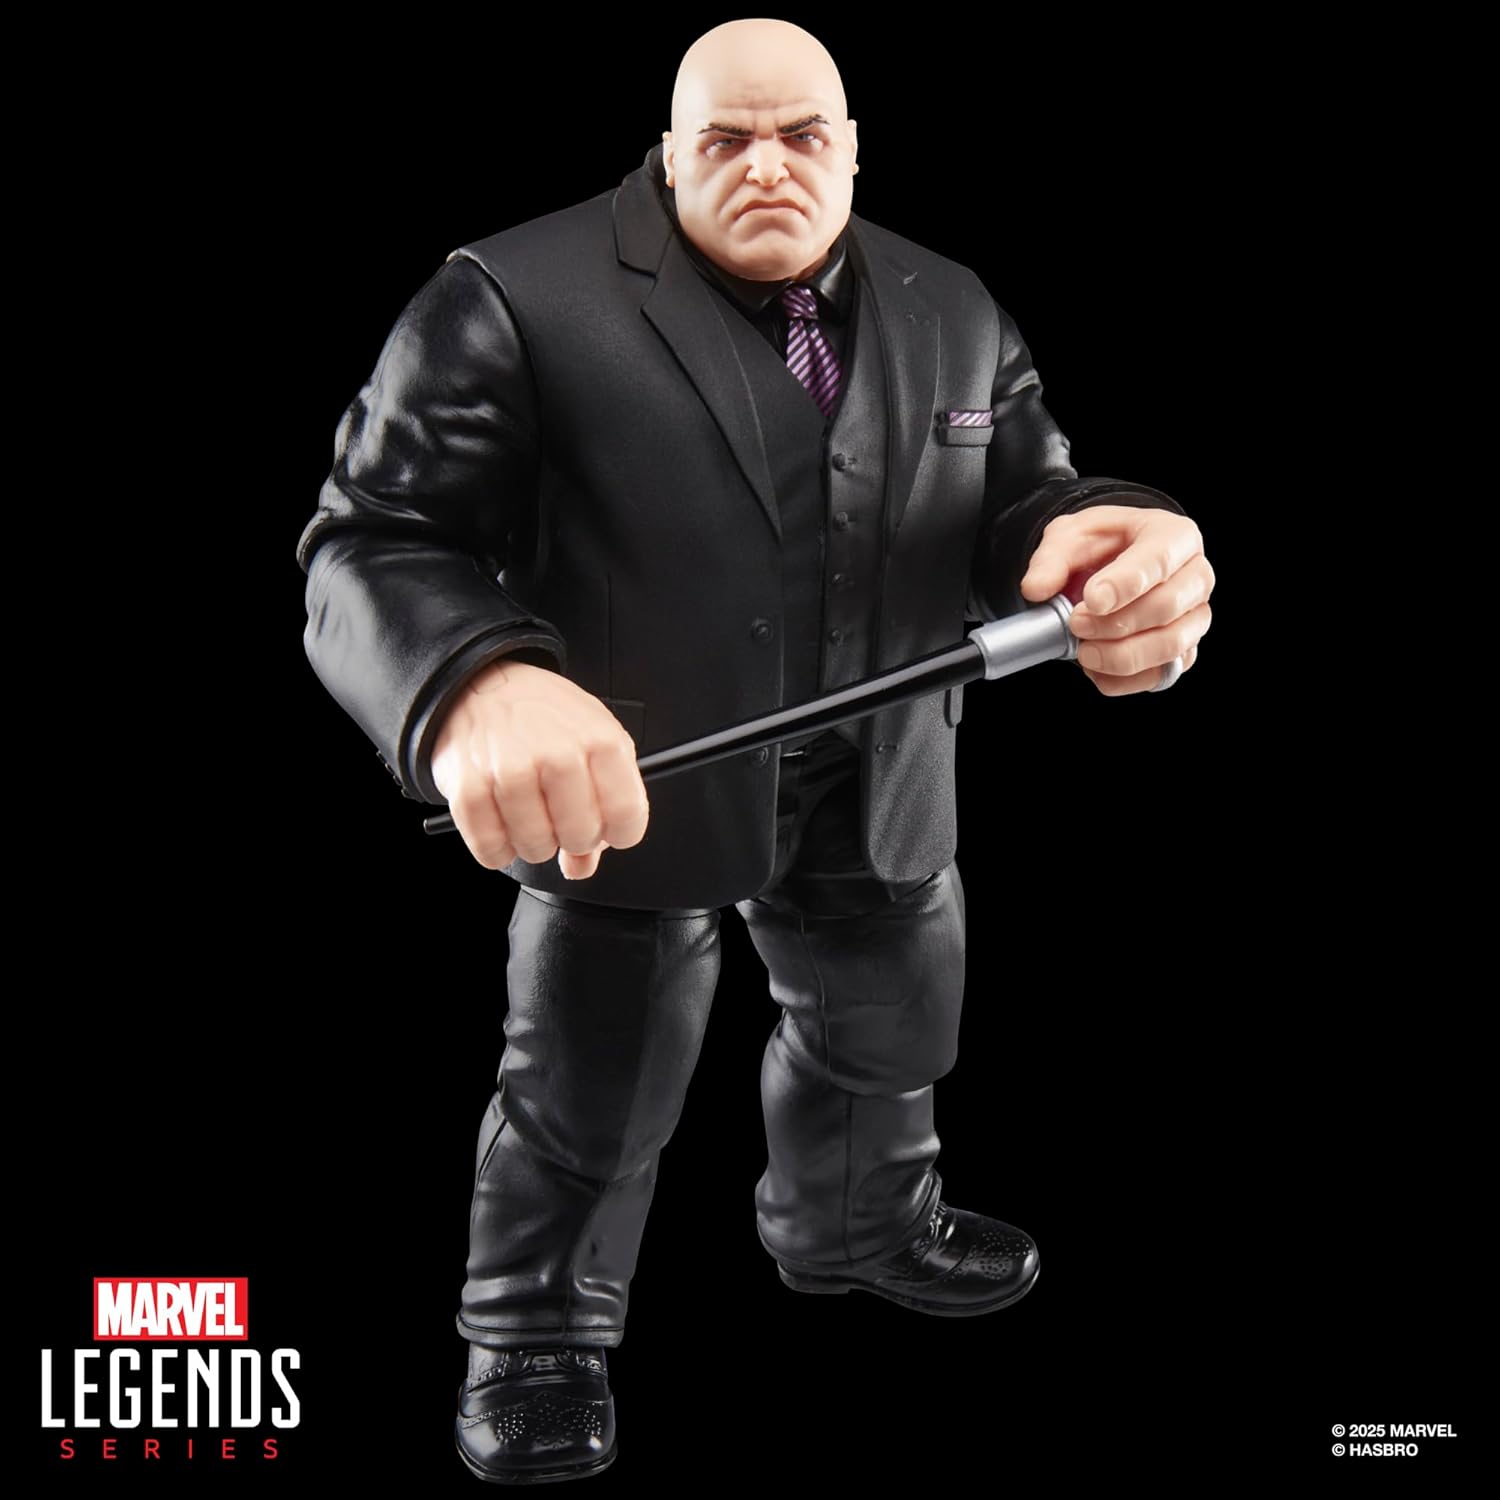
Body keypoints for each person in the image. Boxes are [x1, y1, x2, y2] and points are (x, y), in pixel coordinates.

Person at [296, 18, 1214, 1484]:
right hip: (635, 779)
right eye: (726, 139)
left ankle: (858, 1223)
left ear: (855, 151)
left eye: (803, 136)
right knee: (593, 1077)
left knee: (893, 1020)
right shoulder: (514, 296)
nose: (768, 167)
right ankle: (536, 1331)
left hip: (883, 762)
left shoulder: (951, 304)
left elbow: (1019, 498)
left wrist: (1098, 542)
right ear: (670, 155)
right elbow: (376, 536)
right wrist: (474, 682)